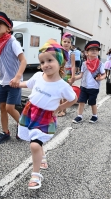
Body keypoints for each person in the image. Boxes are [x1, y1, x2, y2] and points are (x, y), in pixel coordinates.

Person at [17, 39, 77, 189]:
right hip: (30, 112)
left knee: (35, 145)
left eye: (50, 60)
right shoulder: (38, 76)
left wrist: (59, 108)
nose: (45, 65)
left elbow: (73, 99)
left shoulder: (62, 85)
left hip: (45, 117)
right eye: (42, 62)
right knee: (34, 140)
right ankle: (42, 157)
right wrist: (16, 83)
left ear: (60, 62)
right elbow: (27, 84)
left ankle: (35, 176)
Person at [0, 12, 27, 144]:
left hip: (14, 82)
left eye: (0, 23)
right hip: (3, 81)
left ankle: (24, 126)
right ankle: (5, 132)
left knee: (10, 108)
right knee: (2, 108)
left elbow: (23, 61)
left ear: (8, 28)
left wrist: (17, 77)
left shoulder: (12, 42)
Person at [72, 41, 106, 124]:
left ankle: (95, 116)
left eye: (96, 50)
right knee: (81, 101)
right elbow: (81, 75)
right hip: (84, 86)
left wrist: (101, 78)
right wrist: (73, 78)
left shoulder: (100, 64)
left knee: (92, 102)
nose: (94, 51)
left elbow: (104, 74)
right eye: (92, 50)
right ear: (87, 53)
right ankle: (79, 116)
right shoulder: (84, 64)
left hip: (94, 87)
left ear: (98, 52)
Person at [58, 32, 75, 117]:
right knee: (58, 92)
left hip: (67, 74)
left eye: (68, 42)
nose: (66, 43)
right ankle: (60, 108)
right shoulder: (59, 52)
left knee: (64, 92)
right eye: (65, 41)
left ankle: (63, 110)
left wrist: (73, 77)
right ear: (61, 42)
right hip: (59, 72)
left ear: (71, 44)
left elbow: (73, 65)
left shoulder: (72, 54)